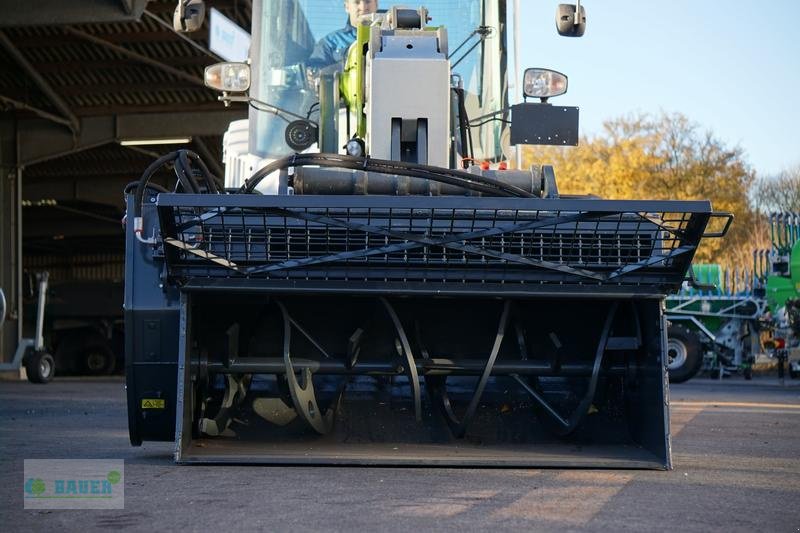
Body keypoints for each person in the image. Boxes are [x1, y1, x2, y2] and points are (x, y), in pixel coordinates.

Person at [307, 0, 378, 71]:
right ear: (347, 7)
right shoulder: (329, 43)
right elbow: (315, 74)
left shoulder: (387, 39)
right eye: (357, 2)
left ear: (376, 4)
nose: (363, 7)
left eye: (368, 1)